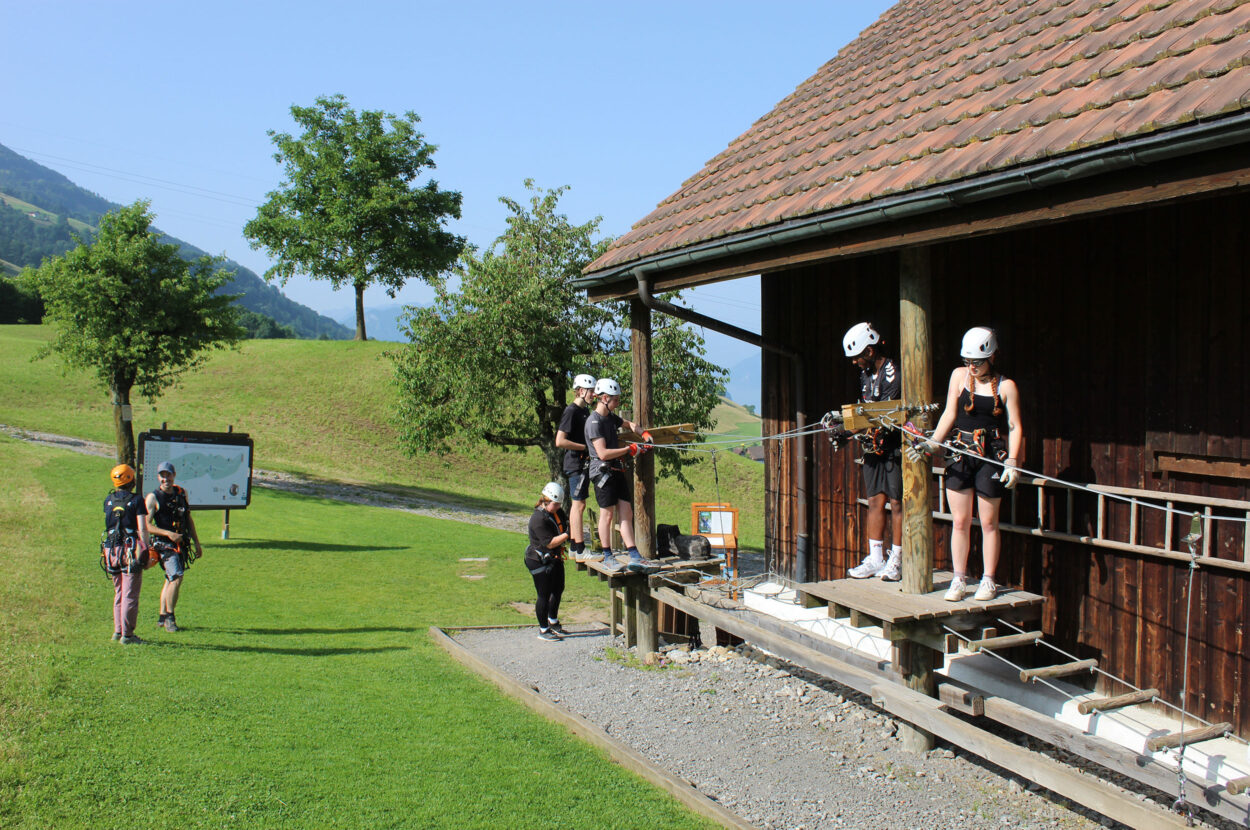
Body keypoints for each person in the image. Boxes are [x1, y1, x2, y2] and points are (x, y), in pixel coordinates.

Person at [927, 327, 1024, 602]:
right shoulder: (959, 376)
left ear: (992, 357)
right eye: (967, 361)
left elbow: (1015, 426)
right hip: (960, 451)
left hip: (990, 456)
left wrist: (1013, 461)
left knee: (989, 521)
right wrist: (935, 441)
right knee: (959, 520)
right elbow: (949, 412)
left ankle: (988, 580)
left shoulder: (1006, 386)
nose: (971, 367)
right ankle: (958, 579)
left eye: (977, 362)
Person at [842, 322, 905, 582]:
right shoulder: (866, 375)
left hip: (894, 445)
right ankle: (876, 558)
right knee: (875, 500)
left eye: (857, 357)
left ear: (869, 351)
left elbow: (885, 414)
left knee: (897, 501)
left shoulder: (893, 373)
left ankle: (897, 560)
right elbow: (866, 409)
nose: (855, 363)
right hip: (873, 445)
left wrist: (850, 430)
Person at [584, 377, 651, 573]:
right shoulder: (593, 422)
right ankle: (607, 555)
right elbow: (603, 453)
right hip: (602, 472)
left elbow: (629, 423)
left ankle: (634, 555)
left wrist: (643, 434)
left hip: (616, 469)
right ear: (604, 398)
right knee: (607, 514)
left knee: (626, 512)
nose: (617, 403)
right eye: (615, 400)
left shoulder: (609, 417)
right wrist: (629, 449)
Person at [145, 461, 202, 632]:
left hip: (181, 544)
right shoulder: (153, 497)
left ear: (174, 475)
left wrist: (196, 543)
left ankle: (162, 616)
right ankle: (170, 617)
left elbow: (188, 519)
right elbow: (147, 525)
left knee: (169, 579)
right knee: (176, 577)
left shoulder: (181, 494)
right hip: (165, 546)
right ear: (158, 477)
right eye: (162, 475)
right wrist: (168, 534)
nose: (165, 479)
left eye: (168, 475)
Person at [102, 463, 150, 644]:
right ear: (131, 479)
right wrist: (144, 549)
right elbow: (142, 528)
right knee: (130, 593)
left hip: (111, 549)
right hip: (129, 550)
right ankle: (128, 635)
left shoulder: (108, 500)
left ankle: (117, 631)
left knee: (119, 592)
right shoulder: (137, 500)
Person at [555, 373, 596, 562]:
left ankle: (573, 547)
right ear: (580, 391)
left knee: (578, 505)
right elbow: (560, 441)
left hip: (582, 463)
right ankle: (580, 549)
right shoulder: (571, 411)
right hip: (575, 464)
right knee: (578, 506)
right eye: (590, 391)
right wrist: (585, 448)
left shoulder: (585, 412)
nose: (593, 394)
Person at [526, 481, 571, 642]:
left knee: (558, 589)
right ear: (546, 501)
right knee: (543, 594)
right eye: (555, 504)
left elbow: (565, 525)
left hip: (555, 557)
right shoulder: (538, 519)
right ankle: (543, 630)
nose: (558, 507)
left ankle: (553, 621)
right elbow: (550, 543)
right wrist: (568, 534)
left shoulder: (557, 513)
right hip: (539, 560)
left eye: (559, 504)